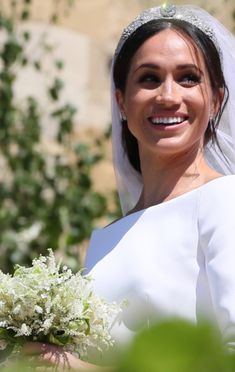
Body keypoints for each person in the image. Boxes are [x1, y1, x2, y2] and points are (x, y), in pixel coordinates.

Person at [27, 3, 235, 370]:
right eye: (149, 79)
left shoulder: (224, 201)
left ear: (216, 99)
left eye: (188, 78)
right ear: (122, 100)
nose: (168, 96)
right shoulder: (105, 241)